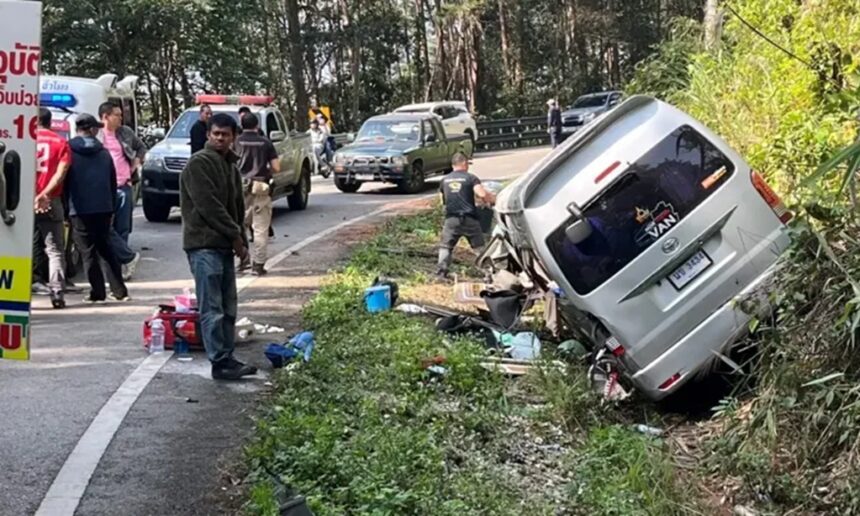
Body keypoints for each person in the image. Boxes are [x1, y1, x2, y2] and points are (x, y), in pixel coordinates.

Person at [180, 113, 256, 380]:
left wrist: (242, 244)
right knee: (211, 308)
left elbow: (236, 208)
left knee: (228, 307)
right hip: (203, 245)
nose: (220, 138)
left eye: (225, 134)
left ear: (234, 136)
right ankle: (219, 361)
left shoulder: (230, 166)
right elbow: (209, 206)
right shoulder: (199, 164)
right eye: (216, 134)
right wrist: (235, 235)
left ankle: (227, 357)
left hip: (224, 245)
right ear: (208, 135)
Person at [66, 114, 130, 303]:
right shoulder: (103, 153)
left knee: (87, 252)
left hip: (78, 208)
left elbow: (65, 180)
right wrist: (110, 208)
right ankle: (119, 291)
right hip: (102, 207)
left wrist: (65, 207)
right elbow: (112, 182)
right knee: (106, 249)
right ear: (92, 129)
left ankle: (97, 292)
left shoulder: (69, 151)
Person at [97, 101, 145, 280]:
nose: (120, 118)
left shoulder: (125, 132)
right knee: (105, 228)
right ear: (105, 117)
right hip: (103, 189)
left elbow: (141, 147)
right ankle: (116, 261)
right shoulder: (97, 135)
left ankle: (121, 266)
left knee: (123, 227)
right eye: (117, 115)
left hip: (124, 185)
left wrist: (137, 161)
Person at [436, 152, 496, 280]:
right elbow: (481, 194)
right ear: (464, 163)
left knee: (446, 246)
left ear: (453, 165)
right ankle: (489, 274)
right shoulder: (471, 178)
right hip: (469, 219)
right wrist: (493, 199)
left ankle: (441, 273)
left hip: (451, 219)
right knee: (479, 247)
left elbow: (443, 200)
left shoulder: (444, 180)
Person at [34, 108, 71, 309]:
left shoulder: (25, 141)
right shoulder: (60, 142)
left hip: (21, 202)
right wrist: (45, 194)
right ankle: (57, 293)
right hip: (50, 201)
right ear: (50, 122)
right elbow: (61, 171)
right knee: (55, 250)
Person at [236, 112, 280, 276]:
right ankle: (258, 265)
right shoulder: (265, 143)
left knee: (240, 225)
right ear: (257, 125)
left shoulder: (236, 141)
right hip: (261, 186)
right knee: (260, 228)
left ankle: (242, 260)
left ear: (242, 124)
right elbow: (276, 168)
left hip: (240, 187)